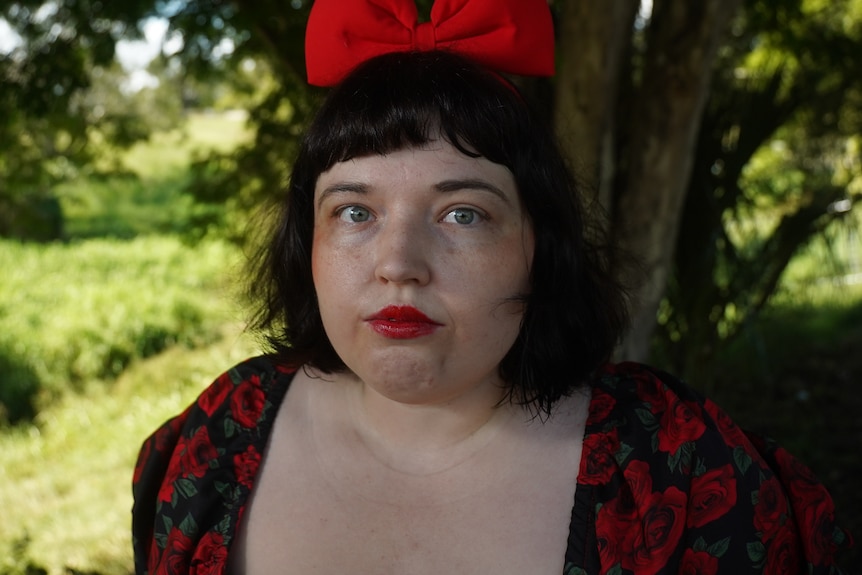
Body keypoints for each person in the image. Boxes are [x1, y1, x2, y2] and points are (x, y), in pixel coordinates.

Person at [131, 0, 854, 573]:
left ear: (540, 247)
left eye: (463, 213)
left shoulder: (687, 472)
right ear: (306, 244)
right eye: (354, 211)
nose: (399, 262)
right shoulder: (218, 440)